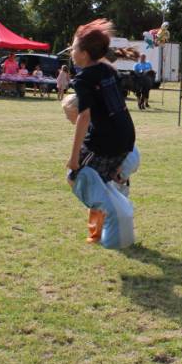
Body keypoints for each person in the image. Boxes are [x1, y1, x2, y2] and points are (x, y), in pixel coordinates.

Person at [66, 20, 137, 244]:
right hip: (126, 138)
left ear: (85, 53)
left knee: (75, 177)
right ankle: (113, 213)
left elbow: (84, 116)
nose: (71, 52)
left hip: (106, 140)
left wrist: (73, 157)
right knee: (102, 180)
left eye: (73, 48)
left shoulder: (83, 78)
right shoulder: (107, 69)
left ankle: (117, 211)